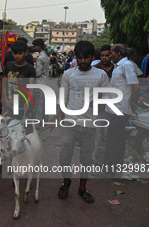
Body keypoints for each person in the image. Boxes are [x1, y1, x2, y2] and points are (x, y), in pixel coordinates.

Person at [44, 41, 109, 203]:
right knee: (65, 156)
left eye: (86, 58)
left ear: (92, 58)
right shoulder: (69, 74)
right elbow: (62, 99)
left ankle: (82, 188)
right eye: (79, 58)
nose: (82, 61)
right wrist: (54, 119)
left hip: (90, 125)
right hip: (71, 124)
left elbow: (107, 99)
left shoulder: (101, 75)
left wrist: (95, 103)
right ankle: (66, 182)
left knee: (86, 159)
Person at [0, 40, 36, 172]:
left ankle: (24, 163)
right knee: (3, 133)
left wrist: (29, 102)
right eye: (15, 53)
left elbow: (32, 87)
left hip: (23, 107)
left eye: (20, 54)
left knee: (23, 135)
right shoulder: (9, 65)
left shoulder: (30, 68)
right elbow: (4, 83)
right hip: (9, 105)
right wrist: (4, 98)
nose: (17, 56)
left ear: (26, 53)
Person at [104, 44, 140, 172]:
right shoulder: (120, 66)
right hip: (116, 108)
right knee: (117, 139)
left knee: (113, 139)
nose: (109, 56)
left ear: (118, 54)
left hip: (120, 108)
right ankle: (114, 168)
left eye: (111, 53)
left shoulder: (126, 65)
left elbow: (135, 86)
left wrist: (133, 101)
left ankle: (109, 169)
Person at [92, 44, 114, 162]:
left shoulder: (117, 69)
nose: (104, 58)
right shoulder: (95, 69)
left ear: (111, 55)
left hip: (114, 104)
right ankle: (94, 154)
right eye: (102, 55)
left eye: (107, 55)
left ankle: (109, 156)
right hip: (99, 105)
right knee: (98, 132)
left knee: (110, 133)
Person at [32, 39, 49, 124]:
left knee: (39, 103)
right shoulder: (45, 56)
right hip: (45, 82)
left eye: (35, 46)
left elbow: (38, 73)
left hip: (39, 82)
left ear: (38, 46)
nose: (34, 48)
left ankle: (39, 121)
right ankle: (44, 118)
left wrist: (32, 70)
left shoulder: (40, 58)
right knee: (43, 102)